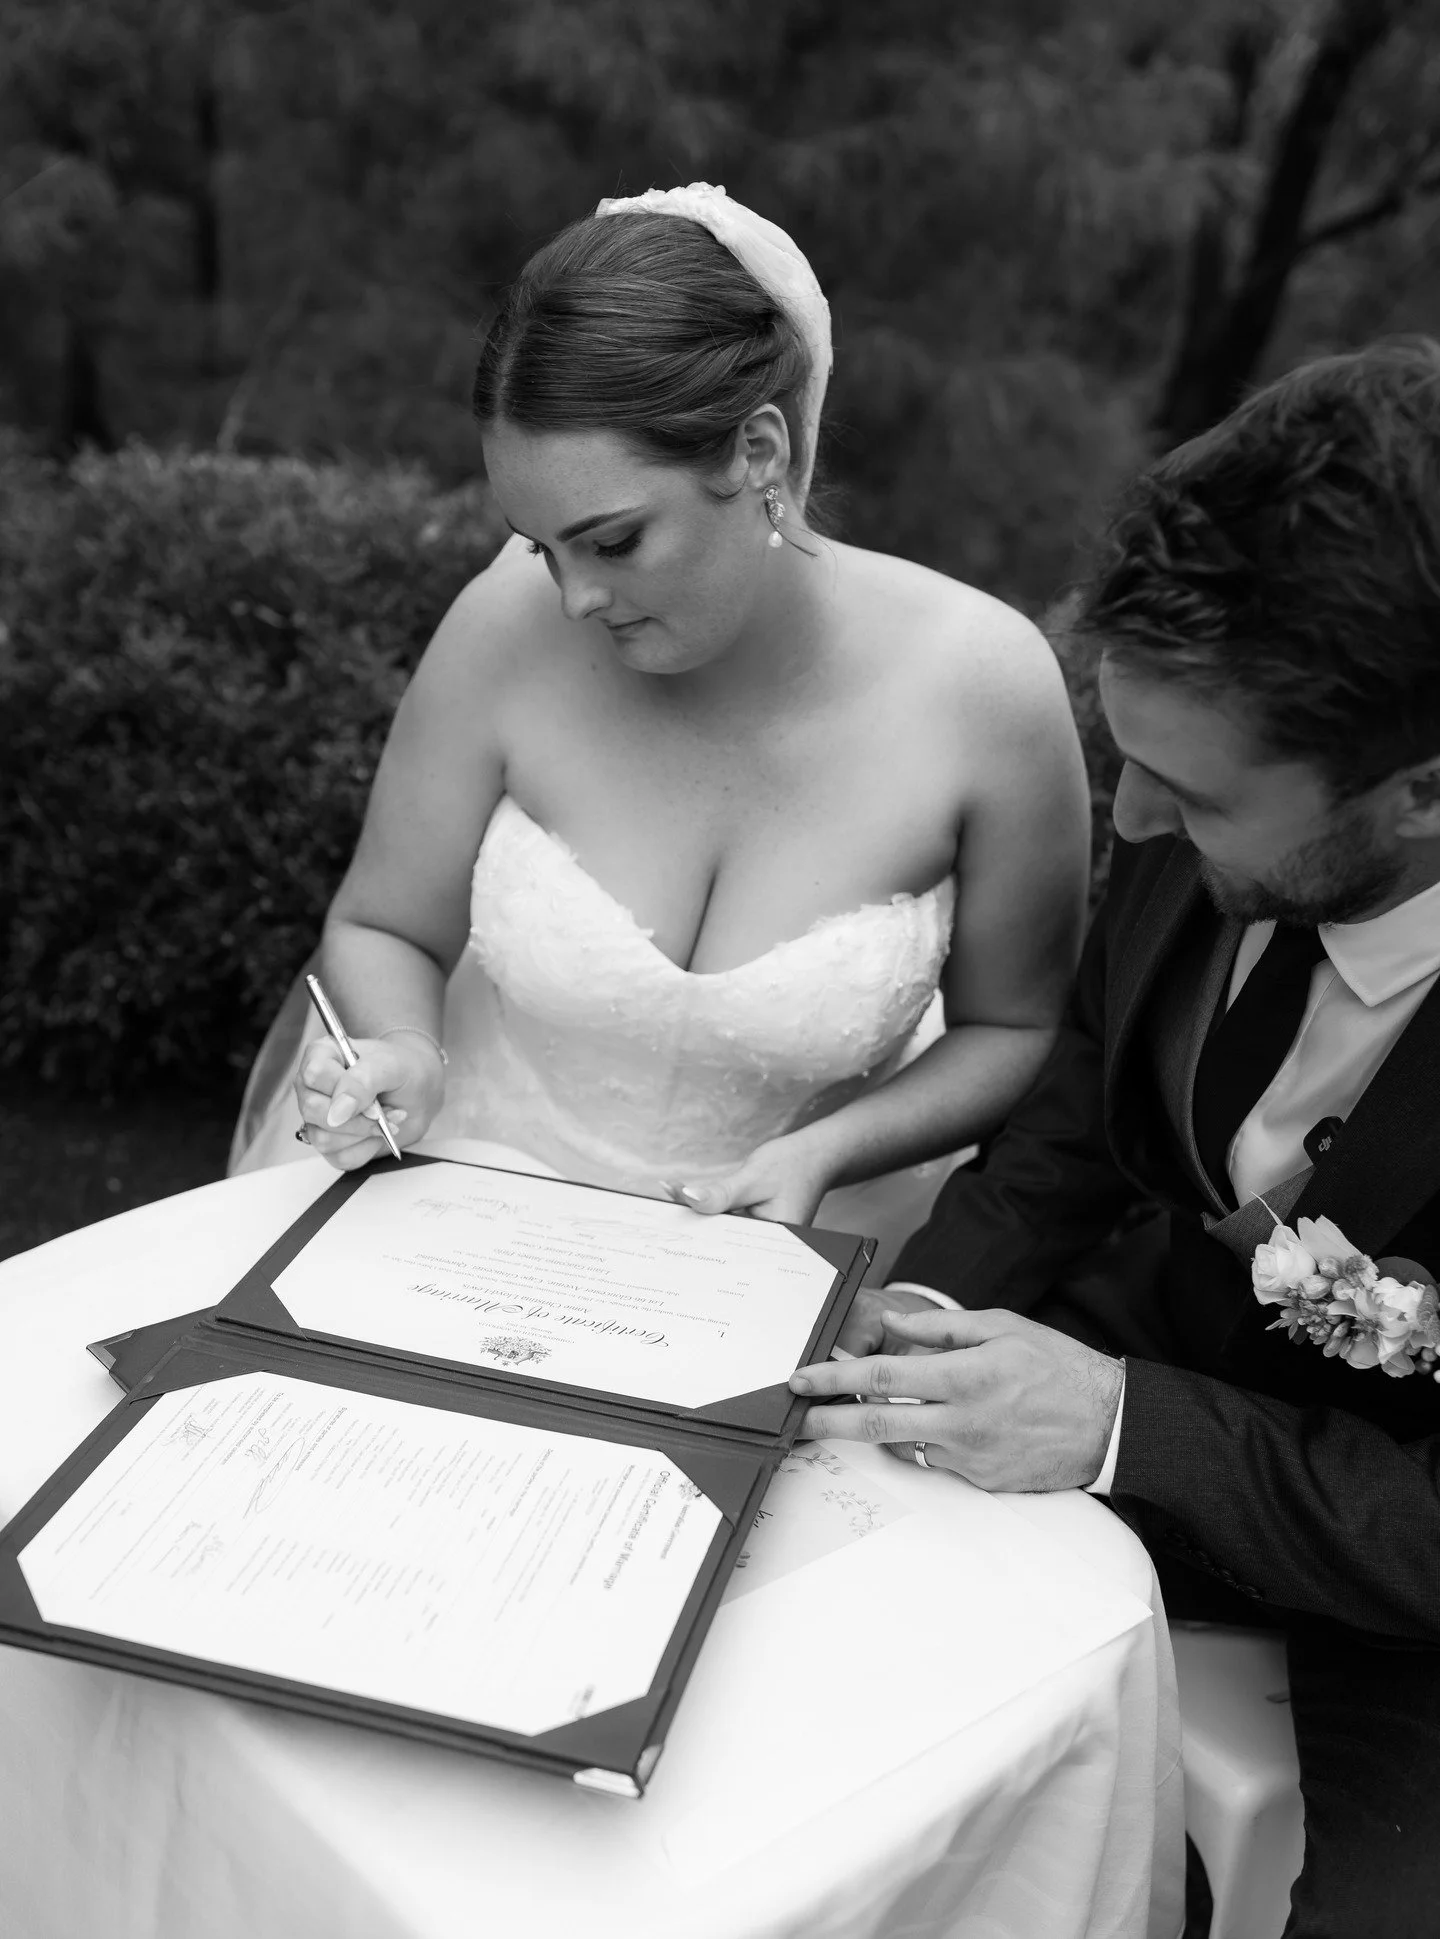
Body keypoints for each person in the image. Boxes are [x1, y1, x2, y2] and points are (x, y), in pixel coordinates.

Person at [790, 339, 1440, 1932]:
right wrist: (920, 1326)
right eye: (1122, 751)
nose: (1130, 819)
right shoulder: (1187, 782)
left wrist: (1118, 1425)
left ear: (1420, 790)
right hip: (1138, 1353)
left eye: (1194, 796)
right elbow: (1080, 1112)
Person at [230, 183, 1090, 1274]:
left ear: (760, 453)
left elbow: (1014, 1031)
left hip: (794, 1256)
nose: (576, 598)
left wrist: (830, 1150)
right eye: (542, 546)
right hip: (466, 1208)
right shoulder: (505, 624)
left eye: (614, 541)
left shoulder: (985, 688)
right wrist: (405, 1045)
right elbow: (384, 923)